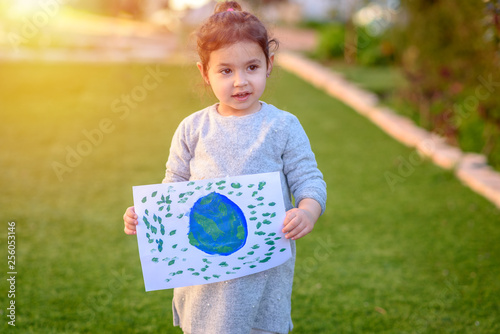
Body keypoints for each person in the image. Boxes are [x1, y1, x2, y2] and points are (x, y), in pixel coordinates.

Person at [123, 1, 327, 333]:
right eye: (226, 71)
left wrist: (308, 211)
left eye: (251, 67)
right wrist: (147, 213)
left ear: (269, 65)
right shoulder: (192, 128)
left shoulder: (282, 127)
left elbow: (309, 179)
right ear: (205, 72)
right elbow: (173, 185)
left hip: (262, 273)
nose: (240, 82)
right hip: (203, 273)